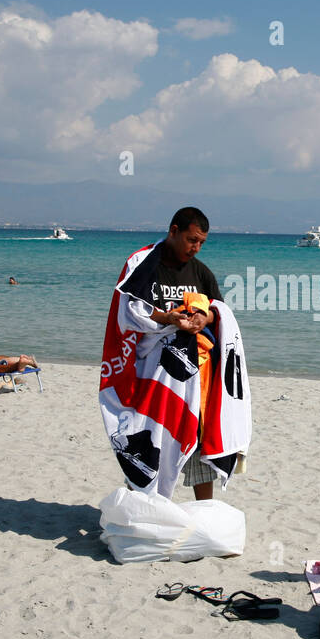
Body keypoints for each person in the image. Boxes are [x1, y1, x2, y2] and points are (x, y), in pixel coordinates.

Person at [125, 207, 222, 500]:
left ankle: (206, 514)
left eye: (202, 242)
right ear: (174, 231)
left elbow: (220, 312)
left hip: (194, 378)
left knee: (197, 445)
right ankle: (142, 509)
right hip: (153, 378)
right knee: (147, 444)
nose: (196, 247)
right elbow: (129, 311)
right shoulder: (146, 266)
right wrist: (168, 318)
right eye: (192, 239)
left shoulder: (201, 272)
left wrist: (205, 319)